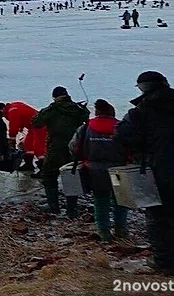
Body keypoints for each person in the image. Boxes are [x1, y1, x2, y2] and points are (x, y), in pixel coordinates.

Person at [114, 71, 174, 276]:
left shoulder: (141, 111)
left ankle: (166, 265)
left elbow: (123, 136)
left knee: (160, 221)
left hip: (160, 174)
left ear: (143, 88)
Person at [69, 99, 128, 242]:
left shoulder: (86, 127)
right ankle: (121, 230)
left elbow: (73, 147)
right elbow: (134, 147)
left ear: (97, 113)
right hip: (119, 169)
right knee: (121, 200)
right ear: (112, 113)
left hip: (94, 170)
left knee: (101, 201)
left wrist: (85, 159)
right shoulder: (122, 127)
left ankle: (104, 232)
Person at [32, 86, 89, 217]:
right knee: (72, 176)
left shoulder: (52, 110)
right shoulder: (78, 109)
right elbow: (86, 117)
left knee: (49, 176)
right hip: (75, 149)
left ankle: (53, 206)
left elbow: (36, 122)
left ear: (54, 97)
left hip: (55, 148)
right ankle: (72, 209)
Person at [2, 101, 48, 175]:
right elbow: (24, 115)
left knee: (38, 148)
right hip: (33, 127)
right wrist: (22, 125)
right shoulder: (15, 105)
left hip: (40, 126)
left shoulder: (12, 111)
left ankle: (44, 170)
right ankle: (29, 165)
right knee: (28, 144)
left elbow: (13, 126)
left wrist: (12, 139)